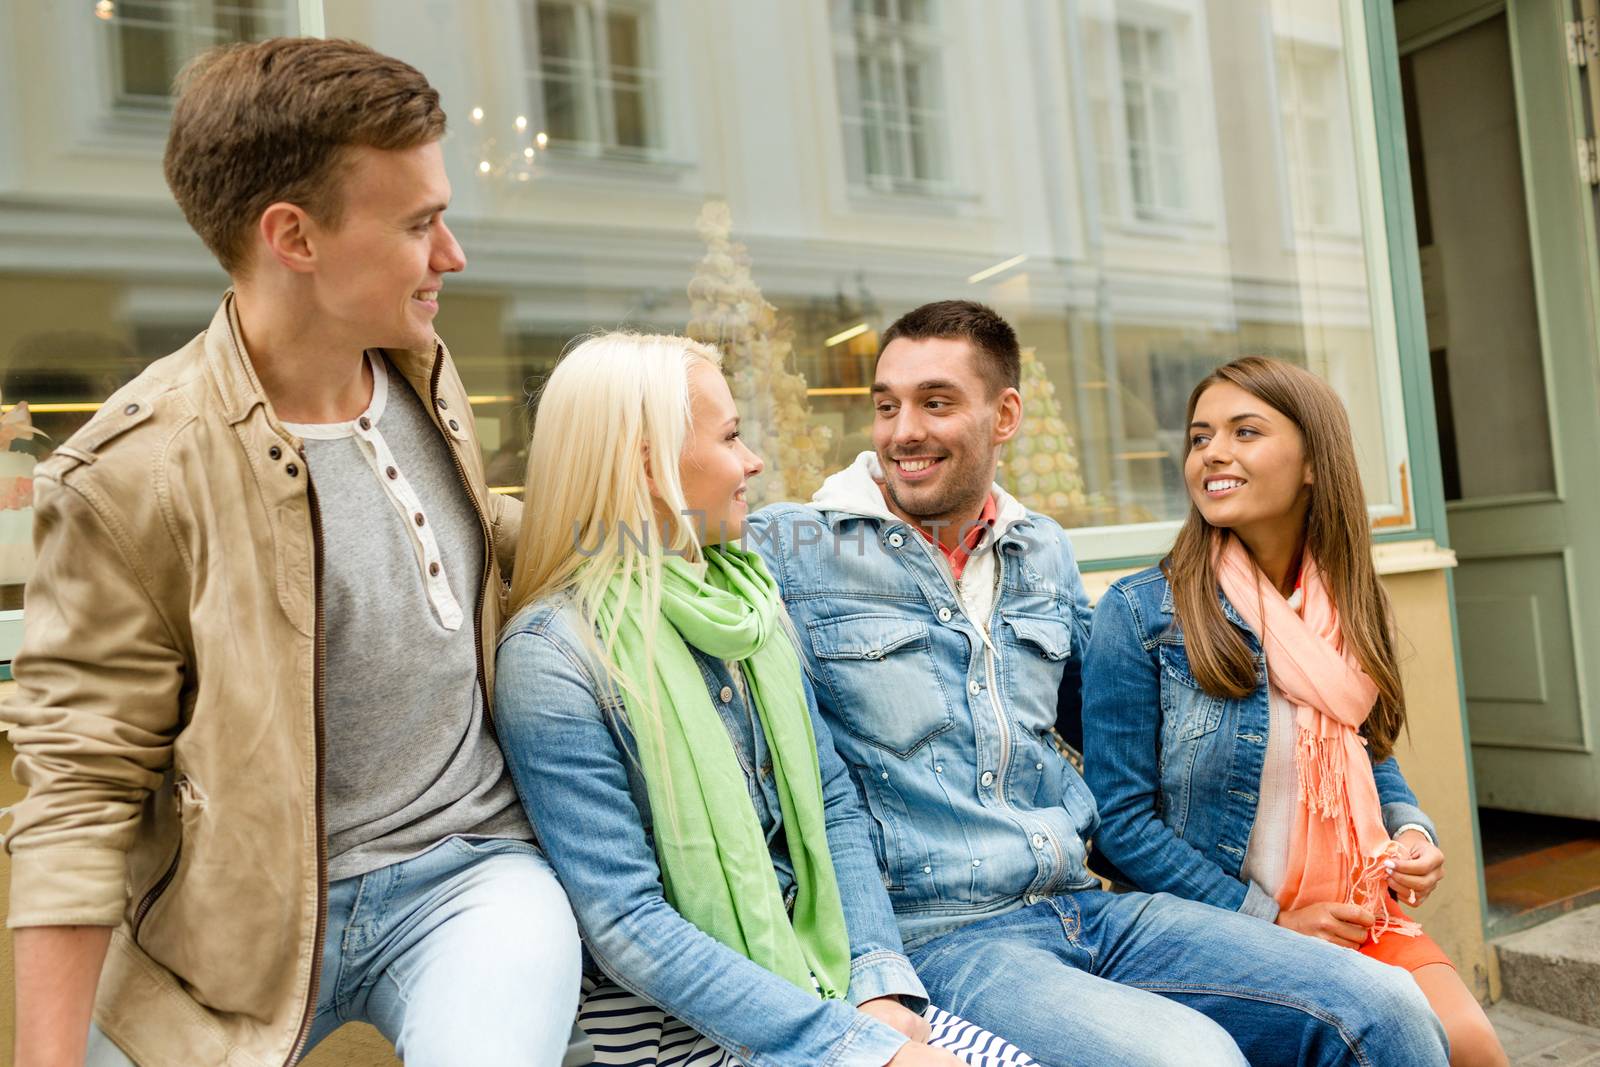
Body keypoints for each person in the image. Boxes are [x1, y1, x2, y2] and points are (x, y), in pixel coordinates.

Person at [5, 38, 581, 1066]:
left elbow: (445, 532)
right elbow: (78, 791)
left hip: (473, 874)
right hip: (224, 943)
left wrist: (631, 519)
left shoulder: (419, 364)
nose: (452, 256)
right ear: (293, 237)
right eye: (419, 224)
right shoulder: (130, 473)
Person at [744, 300, 1452, 1067]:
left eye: (936, 402)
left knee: (1386, 1007)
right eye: (886, 405)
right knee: (1195, 1059)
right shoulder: (793, 547)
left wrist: (1388, 816)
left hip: (1088, 903)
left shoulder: (1041, 548)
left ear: (1006, 414)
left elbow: (1122, 732)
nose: (901, 431)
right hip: (947, 934)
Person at [493, 332, 1036, 1067]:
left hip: (831, 980)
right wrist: (852, 1048)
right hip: (686, 1029)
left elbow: (833, 802)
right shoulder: (554, 656)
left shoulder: (750, 601)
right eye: (731, 436)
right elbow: (626, 923)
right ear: (649, 464)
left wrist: (878, 984)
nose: (752, 461)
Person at [1081, 356, 1506, 1066]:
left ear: (1313, 461)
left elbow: (1367, 750)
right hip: (1220, 927)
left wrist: (1409, 830)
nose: (1213, 452)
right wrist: (1274, 918)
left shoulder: (1348, 599)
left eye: (1245, 431)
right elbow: (1119, 824)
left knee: (1472, 1046)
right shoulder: (1139, 613)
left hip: (1353, 909)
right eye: (1199, 436)